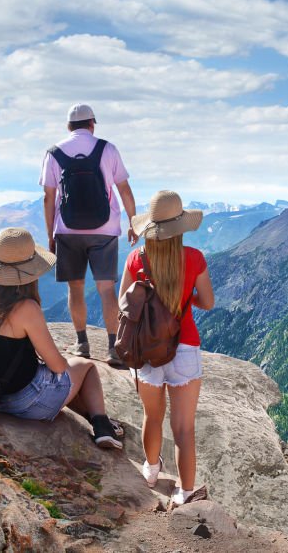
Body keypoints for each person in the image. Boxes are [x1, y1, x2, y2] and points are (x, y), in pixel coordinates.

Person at [0, 227, 123, 449]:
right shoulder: (26, 307)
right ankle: (102, 426)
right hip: (26, 402)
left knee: (67, 377)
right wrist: (65, 358)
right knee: (85, 366)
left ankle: (99, 421)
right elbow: (58, 367)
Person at [119, 191, 214, 506]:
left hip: (147, 348)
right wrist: (187, 300)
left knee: (152, 415)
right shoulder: (195, 258)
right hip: (185, 346)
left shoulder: (136, 259)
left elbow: (124, 304)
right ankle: (186, 492)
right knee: (184, 427)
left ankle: (151, 470)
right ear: (181, 227)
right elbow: (208, 302)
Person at [40, 103, 139, 365]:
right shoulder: (108, 149)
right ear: (92, 124)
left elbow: (48, 198)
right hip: (104, 230)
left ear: (68, 126)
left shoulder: (53, 152)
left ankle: (81, 343)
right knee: (107, 289)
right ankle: (112, 348)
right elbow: (124, 189)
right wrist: (133, 221)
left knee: (76, 287)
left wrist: (51, 234)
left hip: (68, 231)